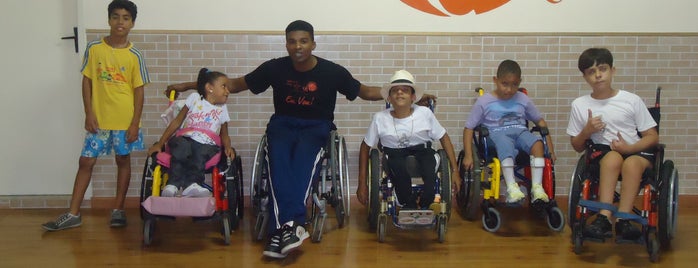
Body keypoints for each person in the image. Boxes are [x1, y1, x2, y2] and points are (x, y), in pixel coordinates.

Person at [166, 20, 434, 259]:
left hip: (317, 127)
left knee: (302, 166)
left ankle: (282, 230)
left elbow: (363, 91)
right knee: (280, 168)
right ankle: (291, 228)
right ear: (286, 44)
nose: (298, 46)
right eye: (292, 41)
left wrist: (404, 93)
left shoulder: (332, 71)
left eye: (303, 41)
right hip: (282, 125)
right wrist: (190, 86)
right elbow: (233, 84)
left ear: (313, 43)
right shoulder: (274, 68)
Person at [42, 0, 149, 231]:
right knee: (86, 161)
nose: (120, 22)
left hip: (124, 121)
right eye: (116, 16)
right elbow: (87, 82)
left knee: (123, 161)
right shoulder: (94, 48)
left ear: (132, 23)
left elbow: (139, 92)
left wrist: (134, 124)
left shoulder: (135, 55)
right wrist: (88, 112)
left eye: (126, 18)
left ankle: (118, 209)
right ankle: (73, 213)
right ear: (109, 19)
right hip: (99, 121)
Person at [567, 48, 658, 241]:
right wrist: (587, 131)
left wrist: (630, 148)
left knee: (631, 163)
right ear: (584, 77)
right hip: (604, 153)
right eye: (591, 72)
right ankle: (604, 217)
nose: (598, 75)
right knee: (611, 159)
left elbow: (651, 136)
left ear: (612, 70)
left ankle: (624, 219)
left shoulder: (631, 100)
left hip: (636, 152)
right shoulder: (579, 105)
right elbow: (576, 145)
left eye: (602, 69)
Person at [356, 70, 460, 212]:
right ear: (389, 98)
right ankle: (407, 202)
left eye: (405, 90)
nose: (399, 93)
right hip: (393, 154)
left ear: (413, 97)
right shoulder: (380, 118)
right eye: (395, 91)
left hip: (423, 151)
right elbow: (365, 146)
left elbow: (443, 137)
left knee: (429, 168)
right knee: (398, 166)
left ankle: (427, 201)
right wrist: (362, 183)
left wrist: (455, 170)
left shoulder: (424, 113)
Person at [461, 59, 555, 204]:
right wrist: (468, 155)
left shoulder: (523, 99)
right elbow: (469, 128)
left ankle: (537, 188)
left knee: (537, 144)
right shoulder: (484, 102)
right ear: (495, 80)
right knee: (505, 143)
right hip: (497, 134)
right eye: (504, 84)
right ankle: (512, 188)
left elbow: (540, 122)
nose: (509, 90)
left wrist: (551, 150)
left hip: (520, 132)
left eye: (514, 85)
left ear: (520, 82)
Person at [147, 68, 234, 198]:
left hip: (207, 143)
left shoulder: (222, 109)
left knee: (199, 150)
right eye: (223, 87)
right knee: (181, 146)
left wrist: (227, 147)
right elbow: (177, 122)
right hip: (186, 138)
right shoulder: (194, 99)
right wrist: (160, 143)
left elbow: (224, 134)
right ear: (210, 88)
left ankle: (192, 184)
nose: (227, 91)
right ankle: (172, 185)